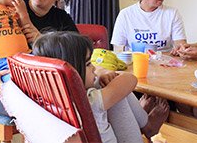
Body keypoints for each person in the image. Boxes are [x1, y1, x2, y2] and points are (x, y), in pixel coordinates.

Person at [33, 31, 170, 143]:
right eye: (88, 64)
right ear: (71, 72)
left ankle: (143, 120)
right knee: (113, 85)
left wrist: (101, 73)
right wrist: (104, 73)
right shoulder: (89, 100)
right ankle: (146, 124)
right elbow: (130, 79)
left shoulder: (50, 98)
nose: (93, 68)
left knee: (109, 84)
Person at [111, 0, 187, 52]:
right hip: (136, 62)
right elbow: (118, 50)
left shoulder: (172, 14)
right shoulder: (125, 15)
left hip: (164, 62)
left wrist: (181, 50)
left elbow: (180, 45)